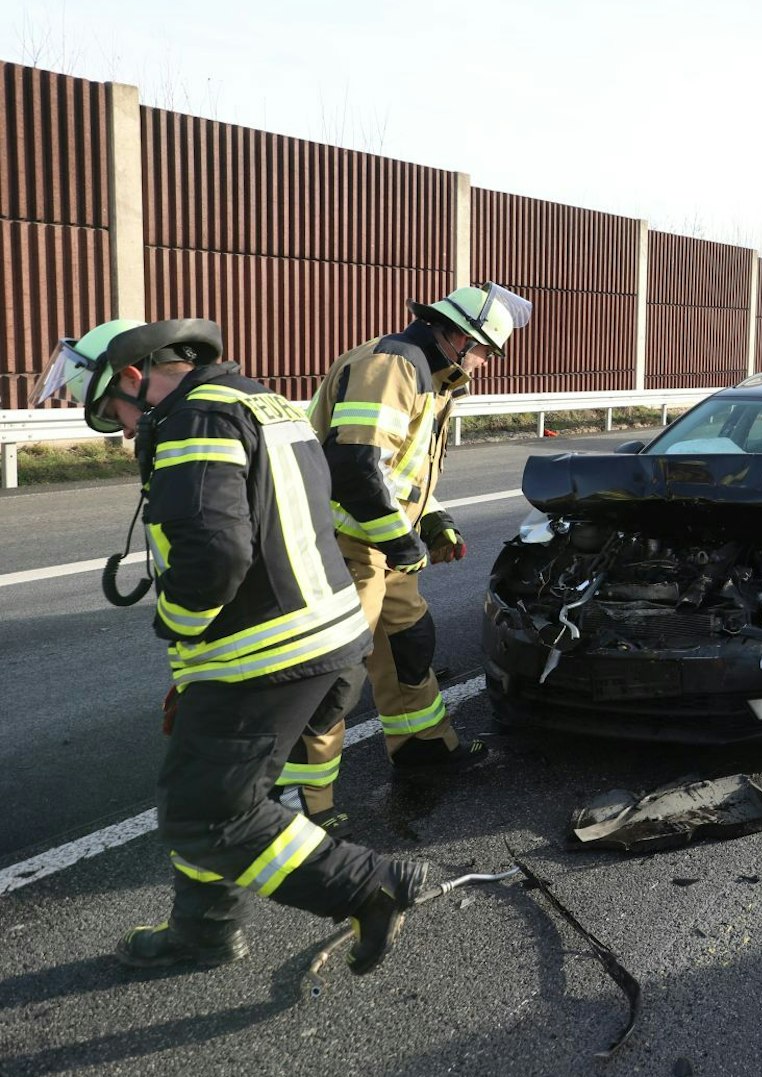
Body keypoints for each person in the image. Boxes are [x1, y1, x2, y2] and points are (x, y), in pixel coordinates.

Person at [36, 318, 427, 972]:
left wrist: (185, 637)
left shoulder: (192, 420)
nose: (128, 430)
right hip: (322, 640)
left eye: (118, 412)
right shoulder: (258, 399)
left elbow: (215, 553)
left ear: (135, 375)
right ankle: (203, 931)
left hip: (264, 655)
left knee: (208, 815)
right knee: (203, 790)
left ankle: (368, 886)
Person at [284, 283, 531, 830]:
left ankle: (422, 747)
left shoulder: (428, 374)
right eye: (485, 351)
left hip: (375, 545)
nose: (485, 364)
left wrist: (433, 518)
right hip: (343, 546)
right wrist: (401, 541)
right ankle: (301, 806)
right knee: (333, 674)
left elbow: (398, 471)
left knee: (407, 645)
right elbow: (354, 466)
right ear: (461, 339)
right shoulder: (395, 366)